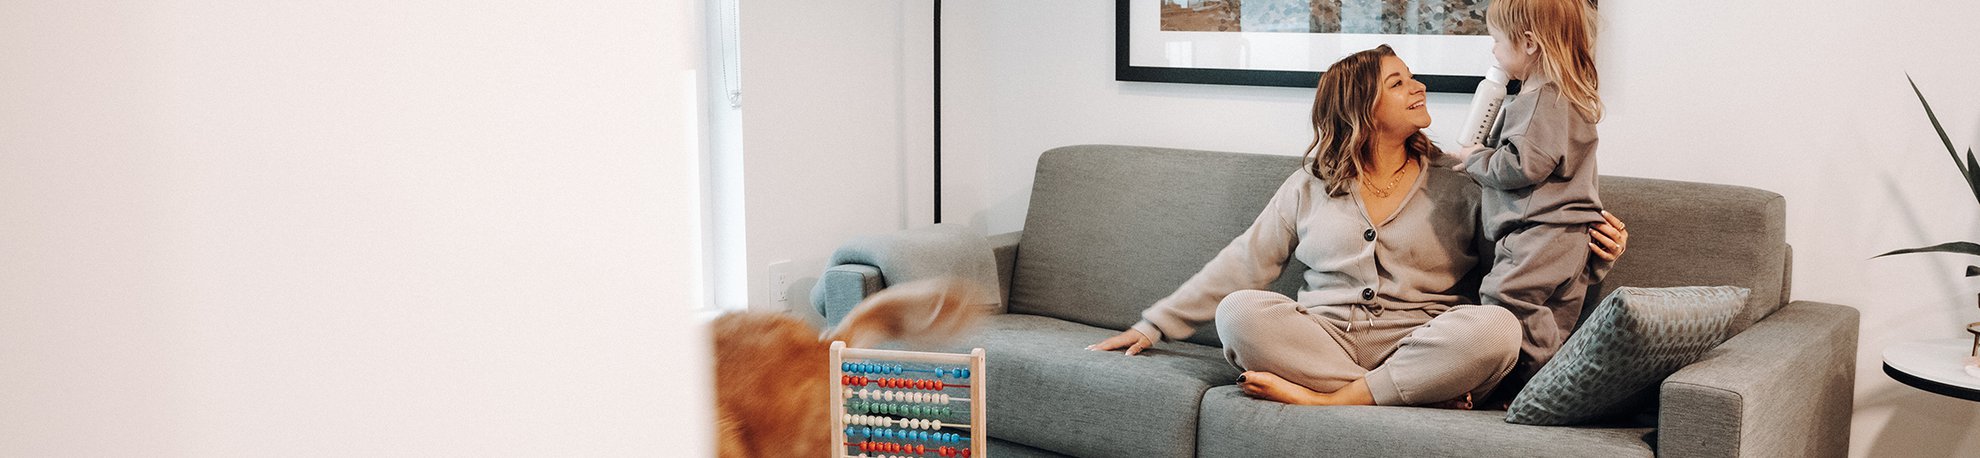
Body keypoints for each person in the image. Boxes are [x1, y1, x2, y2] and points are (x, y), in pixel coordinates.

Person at [1086, 45, 1629, 407]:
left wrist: (1593, 259)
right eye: (1399, 82)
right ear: (1361, 108)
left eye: (1411, 77)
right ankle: (1406, 395)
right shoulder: (1309, 184)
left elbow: (1519, 267)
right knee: (1241, 311)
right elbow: (1245, 261)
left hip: (1421, 339)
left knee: (1496, 329)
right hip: (1323, 338)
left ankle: (1330, 402)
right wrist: (1152, 325)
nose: (1418, 87)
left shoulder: (1464, 179)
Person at [1447, 0, 1608, 398]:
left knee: (1504, 298)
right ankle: (1535, 390)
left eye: (1498, 40)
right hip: (1570, 239)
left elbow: (1522, 166)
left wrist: (1474, 159)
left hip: (1539, 233)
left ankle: (1547, 391)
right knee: (1552, 320)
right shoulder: (1567, 97)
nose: (1494, 50)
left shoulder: (1537, 101)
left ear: (1530, 43)